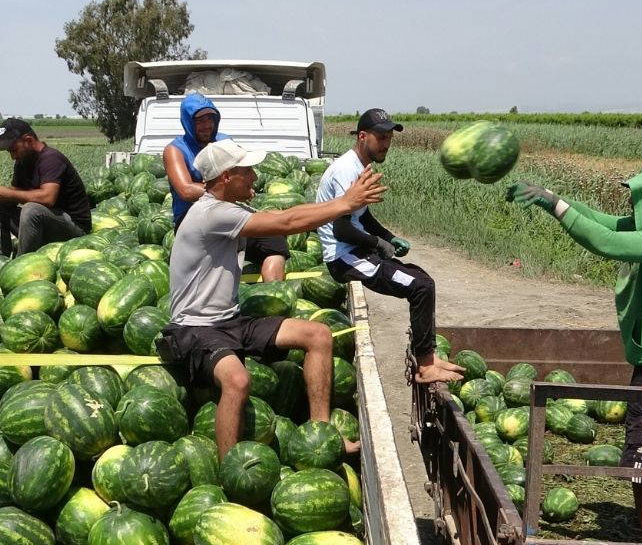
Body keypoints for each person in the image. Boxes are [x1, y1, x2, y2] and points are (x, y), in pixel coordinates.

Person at [507, 162, 642, 545]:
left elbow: (605, 242)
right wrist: (551, 199)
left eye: (640, 194)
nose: (633, 201)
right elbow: (604, 222)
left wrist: (554, 202)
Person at [158, 139, 386, 458]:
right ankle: (230, 467)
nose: (254, 175)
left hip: (229, 321)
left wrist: (337, 206)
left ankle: (321, 434)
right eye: (247, 170)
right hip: (195, 329)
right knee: (237, 380)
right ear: (226, 177)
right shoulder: (212, 214)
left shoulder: (230, 210)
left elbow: (285, 216)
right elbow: (287, 223)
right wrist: (346, 203)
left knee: (318, 335)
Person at [317, 108, 464, 384]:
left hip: (357, 252)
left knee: (421, 278)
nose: (386, 144)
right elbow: (342, 228)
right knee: (419, 286)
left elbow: (361, 215)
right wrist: (377, 244)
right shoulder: (347, 171)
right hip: (344, 257)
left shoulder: (359, 166)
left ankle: (428, 356)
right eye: (381, 137)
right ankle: (425, 366)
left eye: (389, 138)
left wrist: (388, 236)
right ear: (363, 137)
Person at [164, 93, 288, 282]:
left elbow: (241, 172)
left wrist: (242, 187)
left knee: (273, 237)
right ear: (188, 122)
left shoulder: (224, 141)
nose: (207, 125)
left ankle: (275, 296)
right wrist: (226, 189)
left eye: (210, 119)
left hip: (228, 213)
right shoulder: (175, 150)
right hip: (193, 220)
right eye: (200, 121)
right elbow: (186, 190)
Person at [0, 118, 91, 256]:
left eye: (14, 149)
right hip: (45, 225)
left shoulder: (51, 159)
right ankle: (1, 261)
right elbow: (17, 194)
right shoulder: (22, 162)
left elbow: (48, 198)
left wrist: (9, 193)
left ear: (28, 140)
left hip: (74, 230)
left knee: (31, 210)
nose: (12, 156)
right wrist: (0, 194)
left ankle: (21, 265)